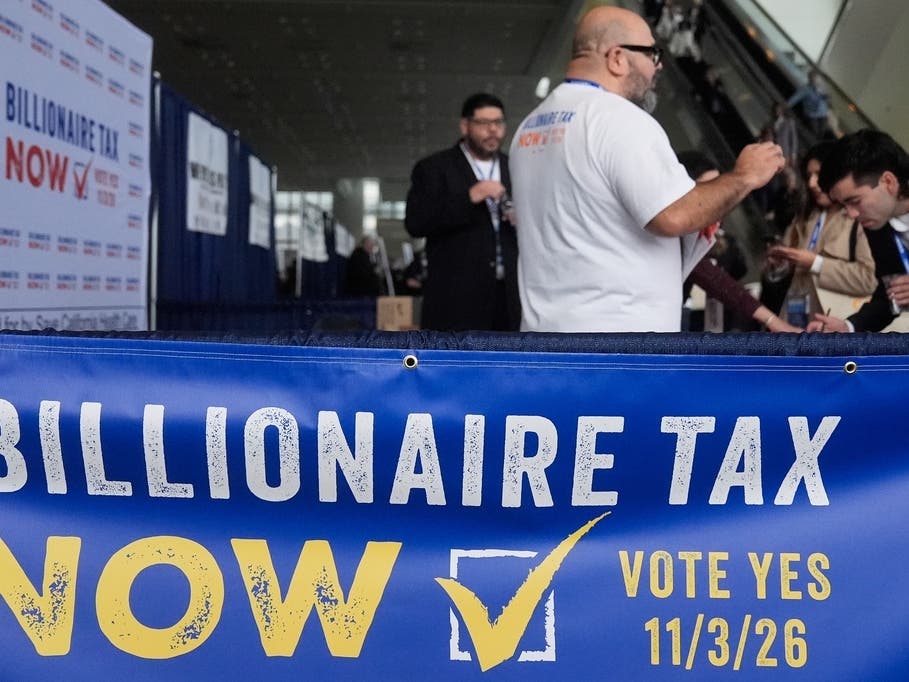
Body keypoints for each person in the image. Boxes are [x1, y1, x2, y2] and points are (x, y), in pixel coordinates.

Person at [509, 5, 784, 332]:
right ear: (617, 58)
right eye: (652, 53)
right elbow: (674, 215)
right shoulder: (619, 119)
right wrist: (745, 176)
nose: (659, 66)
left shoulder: (529, 127)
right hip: (618, 344)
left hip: (545, 338)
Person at [404, 93, 520, 331]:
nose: (493, 130)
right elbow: (416, 223)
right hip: (456, 300)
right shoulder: (435, 168)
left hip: (509, 297)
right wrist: (470, 197)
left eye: (498, 123)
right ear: (465, 125)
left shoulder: (516, 166)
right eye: (483, 123)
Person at [678, 150, 800, 333]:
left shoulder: (711, 230)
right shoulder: (673, 233)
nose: (715, 200)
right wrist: (773, 321)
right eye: (706, 189)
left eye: (717, 188)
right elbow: (711, 277)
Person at [760, 141, 877, 325]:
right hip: (792, 322)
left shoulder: (860, 219)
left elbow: (869, 279)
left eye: (819, 174)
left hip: (834, 325)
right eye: (808, 175)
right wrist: (779, 264)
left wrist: (816, 264)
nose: (812, 183)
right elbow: (785, 274)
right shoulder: (803, 216)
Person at [808, 129, 909, 332]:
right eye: (844, 205)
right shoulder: (877, 223)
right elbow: (889, 294)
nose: (852, 214)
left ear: (888, 182)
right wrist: (849, 327)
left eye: (855, 201)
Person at [787, 69, 830, 140]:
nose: (814, 80)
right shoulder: (805, 89)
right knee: (815, 131)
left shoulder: (821, 88)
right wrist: (788, 104)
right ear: (809, 79)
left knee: (822, 132)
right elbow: (796, 97)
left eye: (815, 78)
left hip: (822, 113)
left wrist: (826, 97)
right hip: (812, 114)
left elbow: (825, 98)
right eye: (812, 78)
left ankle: (819, 142)